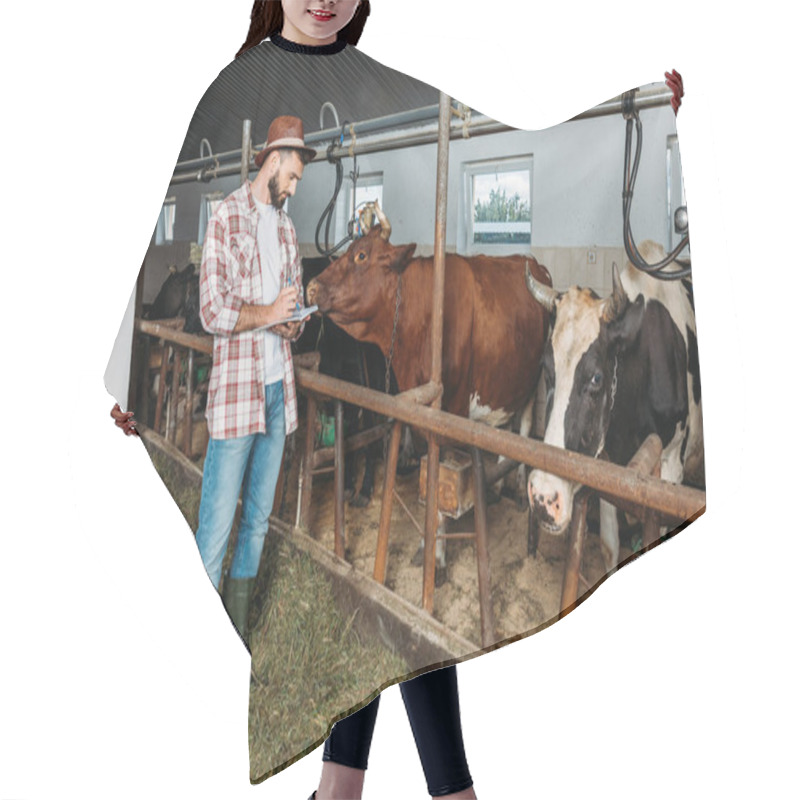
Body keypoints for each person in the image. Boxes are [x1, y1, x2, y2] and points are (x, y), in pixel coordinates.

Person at [109, 2, 686, 797]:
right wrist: (129, 375)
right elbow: (168, 248)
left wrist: (646, 110)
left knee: (357, 590)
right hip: (248, 400)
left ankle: (356, 787)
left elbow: (528, 141)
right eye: (290, 159)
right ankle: (410, 786)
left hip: (278, 400)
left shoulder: (374, 83)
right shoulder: (234, 88)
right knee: (283, 570)